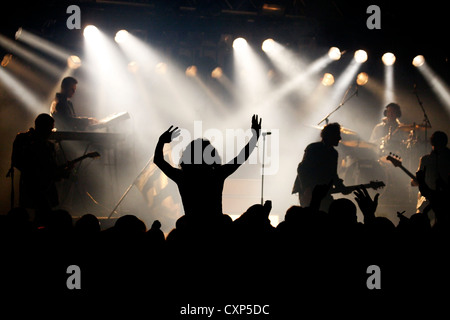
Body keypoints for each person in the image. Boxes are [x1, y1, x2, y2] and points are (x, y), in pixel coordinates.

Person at [154, 115, 261, 220]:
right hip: (215, 227)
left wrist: (161, 141)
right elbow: (241, 157)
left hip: (192, 228)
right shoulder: (217, 174)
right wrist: (254, 137)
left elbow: (158, 160)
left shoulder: (182, 177)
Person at [11, 114, 73, 222]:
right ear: (41, 127)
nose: (51, 131)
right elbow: (17, 161)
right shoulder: (24, 139)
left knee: (42, 216)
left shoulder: (49, 146)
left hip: (45, 187)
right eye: (50, 128)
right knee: (44, 215)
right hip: (32, 185)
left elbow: (53, 170)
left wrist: (65, 171)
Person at [292, 122, 350, 211]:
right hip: (309, 192)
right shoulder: (313, 148)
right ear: (330, 136)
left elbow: (333, 174)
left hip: (322, 191)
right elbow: (302, 169)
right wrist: (307, 188)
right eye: (337, 135)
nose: (340, 138)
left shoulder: (333, 153)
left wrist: (341, 186)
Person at [412, 131, 450, 225]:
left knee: (419, 224)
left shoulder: (425, 160)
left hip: (427, 201)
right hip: (446, 201)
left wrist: (414, 181)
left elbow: (416, 182)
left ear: (431, 143)